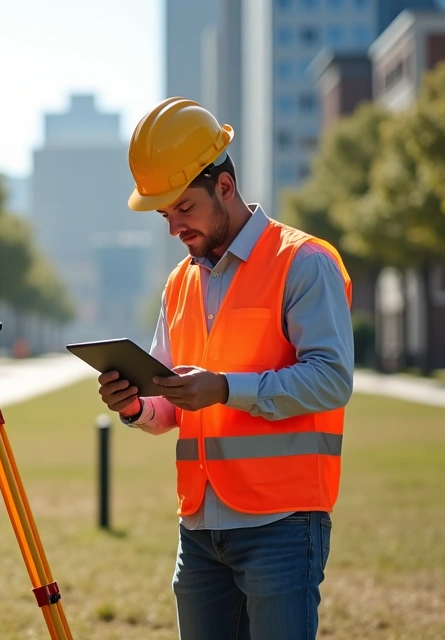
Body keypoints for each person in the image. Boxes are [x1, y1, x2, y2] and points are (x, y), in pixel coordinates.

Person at [97, 97, 354, 639]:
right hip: (198, 529)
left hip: (283, 525)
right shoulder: (178, 283)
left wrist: (222, 389)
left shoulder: (304, 263)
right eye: (165, 215)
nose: (174, 228)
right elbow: (169, 401)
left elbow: (332, 379)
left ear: (225, 187)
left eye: (183, 208)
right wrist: (135, 406)